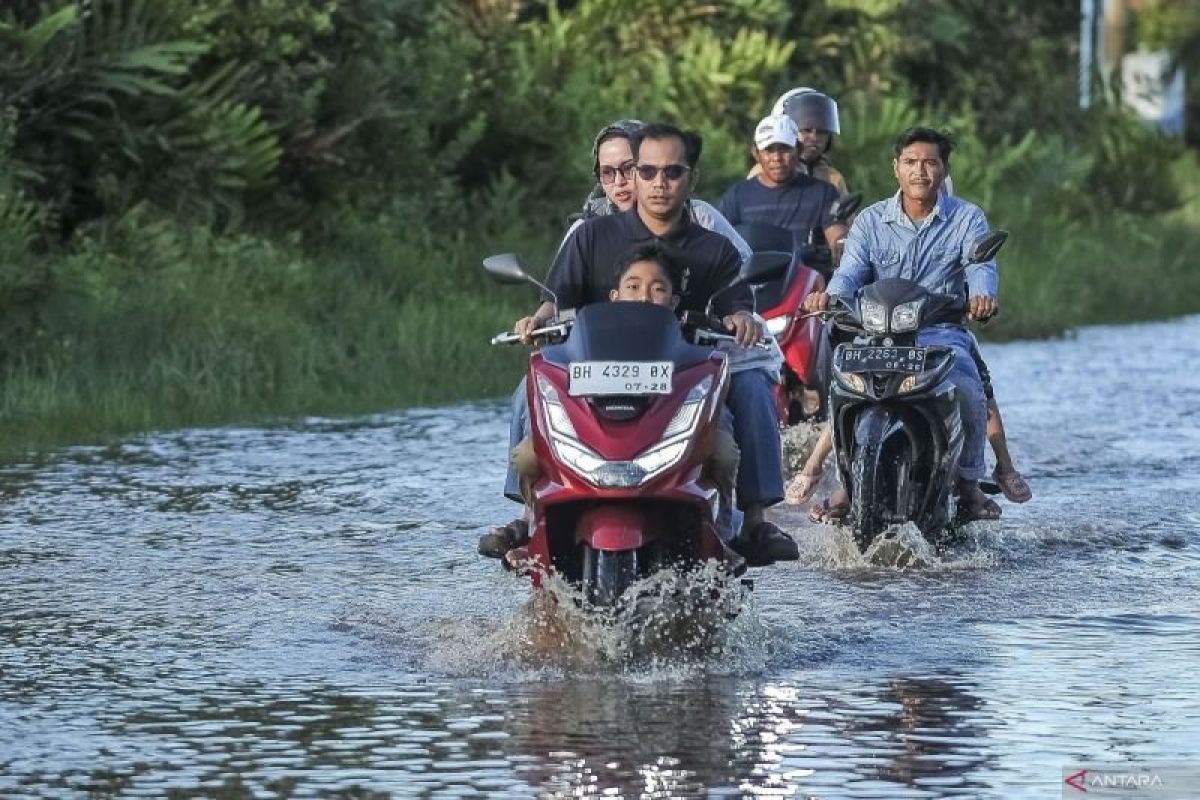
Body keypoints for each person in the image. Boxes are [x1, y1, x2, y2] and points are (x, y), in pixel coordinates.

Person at [493, 123, 798, 566]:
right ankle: (527, 516)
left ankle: (751, 522)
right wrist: (534, 321)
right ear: (635, 176)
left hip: (683, 382)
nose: (659, 183)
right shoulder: (590, 236)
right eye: (649, 171)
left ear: (690, 179)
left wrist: (741, 319)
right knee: (529, 387)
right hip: (595, 377)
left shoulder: (715, 248)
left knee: (751, 392)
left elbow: (739, 304)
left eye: (672, 172)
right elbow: (555, 300)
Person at [802, 126, 1003, 522]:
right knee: (843, 387)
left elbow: (981, 266)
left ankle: (969, 484)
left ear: (943, 170)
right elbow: (850, 273)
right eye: (911, 162)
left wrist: (982, 296)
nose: (920, 171)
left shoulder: (967, 218)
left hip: (939, 335)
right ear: (896, 168)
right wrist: (829, 296)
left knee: (967, 387)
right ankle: (848, 482)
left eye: (930, 163)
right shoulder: (870, 221)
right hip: (878, 335)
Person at [574, 119, 753, 267]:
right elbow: (556, 299)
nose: (619, 182)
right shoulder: (586, 229)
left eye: (628, 169)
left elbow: (746, 270)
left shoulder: (699, 216)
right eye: (607, 173)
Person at [720, 113, 849, 263]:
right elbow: (721, 242)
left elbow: (836, 232)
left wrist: (840, 242)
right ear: (756, 154)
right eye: (769, 150)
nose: (777, 158)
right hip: (754, 282)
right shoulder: (736, 197)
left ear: (799, 150)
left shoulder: (824, 193)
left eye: (785, 149)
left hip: (808, 281)